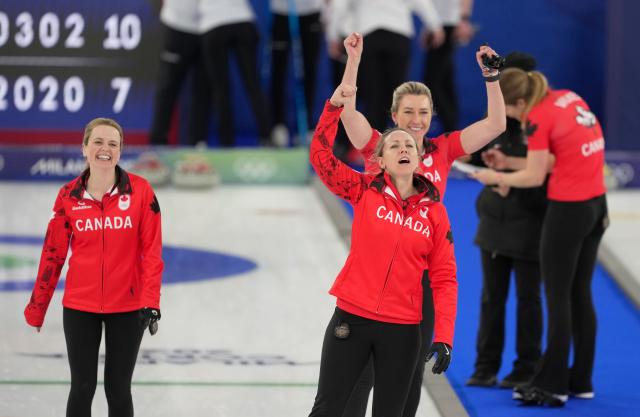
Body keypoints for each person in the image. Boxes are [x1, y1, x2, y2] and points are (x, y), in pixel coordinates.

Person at [336, 32, 505, 417]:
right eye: (408, 112)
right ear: (394, 115)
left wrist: (492, 79)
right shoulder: (378, 146)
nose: (416, 121)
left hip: (420, 278)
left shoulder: (442, 149)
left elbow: (495, 125)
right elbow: (346, 111)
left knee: (408, 375)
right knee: (358, 376)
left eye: (424, 113)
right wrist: (354, 59)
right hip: (373, 278)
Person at [308, 84, 457, 417]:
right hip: (352, 320)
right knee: (328, 408)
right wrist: (333, 107)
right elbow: (320, 156)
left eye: (409, 144)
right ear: (381, 160)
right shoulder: (363, 190)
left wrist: (444, 335)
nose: (403, 146)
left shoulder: (434, 213)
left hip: (403, 331)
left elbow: (445, 278)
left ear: (418, 159)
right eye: (394, 144)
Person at [472, 68, 608, 407]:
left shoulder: (536, 119)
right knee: (580, 294)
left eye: (508, 110)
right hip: (596, 204)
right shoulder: (567, 98)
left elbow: (533, 176)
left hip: (569, 210)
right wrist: (509, 161)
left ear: (519, 102)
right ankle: (581, 379)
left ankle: (553, 384)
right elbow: (549, 159)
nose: (506, 117)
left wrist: (492, 174)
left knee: (557, 296)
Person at [24, 118, 164, 417]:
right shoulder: (68, 196)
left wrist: (151, 302)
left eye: (113, 144)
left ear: (120, 151)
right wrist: (38, 307)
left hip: (128, 307)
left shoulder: (141, 192)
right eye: (98, 142)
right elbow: (53, 255)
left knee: (118, 388)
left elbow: (152, 253)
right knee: (82, 386)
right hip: (80, 305)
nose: (105, 149)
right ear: (84, 148)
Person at [465, 52, 545, 389]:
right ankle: (485, 367)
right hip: (494, 223)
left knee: (528, 299)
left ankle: (526, 367)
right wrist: (489, 164)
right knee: (490, 298)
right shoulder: (495, 121)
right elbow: (475, 151)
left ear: (521, 101)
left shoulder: (540, 127)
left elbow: (541, 175)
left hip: (529, 223)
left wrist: (506, 174)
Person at [325, 0, 445, 132]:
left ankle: (376, 146)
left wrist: (333, 36)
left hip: (368, 35)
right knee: (398, 94)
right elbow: (422, 2)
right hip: (398, 34)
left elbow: (339, 5)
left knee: (373, 95)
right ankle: (400, 143)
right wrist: (435, 26)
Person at [200, 0, 271, 147]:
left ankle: (227, 144)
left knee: (221, 90)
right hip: (243, 21)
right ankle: (267, 137)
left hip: (213, 25)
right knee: (253, 85)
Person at [149, 0, 212, 146]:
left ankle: (198, 143)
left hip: (208, 25)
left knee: (203, 88)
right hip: (176, 24)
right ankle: (158, 143)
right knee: (168, 85)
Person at [269, 0, 323, 146]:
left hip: (311, 11)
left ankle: (307, 127)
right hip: (282, 11)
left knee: (309, 71)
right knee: (278, 70)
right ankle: (278, 125)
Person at [423, 0, 475, 132]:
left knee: (433, 84)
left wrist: (463, 19)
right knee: (444, 82)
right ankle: (451, 131)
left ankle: (451, 130)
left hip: (449, 24)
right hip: (439, 25)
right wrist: (429, 27)